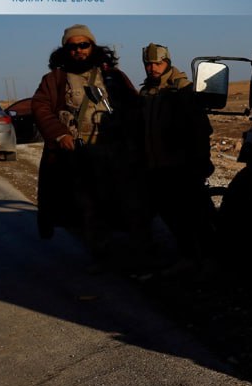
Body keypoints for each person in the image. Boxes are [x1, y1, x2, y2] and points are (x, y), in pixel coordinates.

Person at [31, 24, 141, 248]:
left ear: (93, 46)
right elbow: (40, 108)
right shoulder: (55, 80)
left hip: (117, 151)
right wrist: (60, 135)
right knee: (88, 204)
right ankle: (101, 253)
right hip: (79, 153)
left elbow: (135, 106)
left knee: (130, 200)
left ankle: (141, 248)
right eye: (73, 46)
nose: (79, 50)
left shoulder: (113, 76)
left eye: (84, 45)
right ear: (65, 50)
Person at [139, 43, 215, 274]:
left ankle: (205, 259)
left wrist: (200, 161)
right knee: (170, 213)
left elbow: (202, 129)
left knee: (191, 214)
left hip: (181, 165)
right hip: (157, 165)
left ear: (167, 62)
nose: (152, 67)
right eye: (148, 63)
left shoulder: (181, 90)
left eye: (157, 63)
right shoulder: (147, 92)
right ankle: (189, 256)